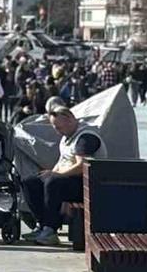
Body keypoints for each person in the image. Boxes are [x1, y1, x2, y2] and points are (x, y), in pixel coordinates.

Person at [22, 100, 105, 246]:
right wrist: (51, 173)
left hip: (86, 184)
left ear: (70, 119)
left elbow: (82, 166)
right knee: (30, 182)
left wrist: (57, 175)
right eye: (55, 127)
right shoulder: (66, 137)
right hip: (67, 179)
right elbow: (62, 162)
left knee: (53, 183)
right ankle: (42, 225)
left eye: (59, 127)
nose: (57, 131)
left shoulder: (86, 137)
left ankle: (50, 230)